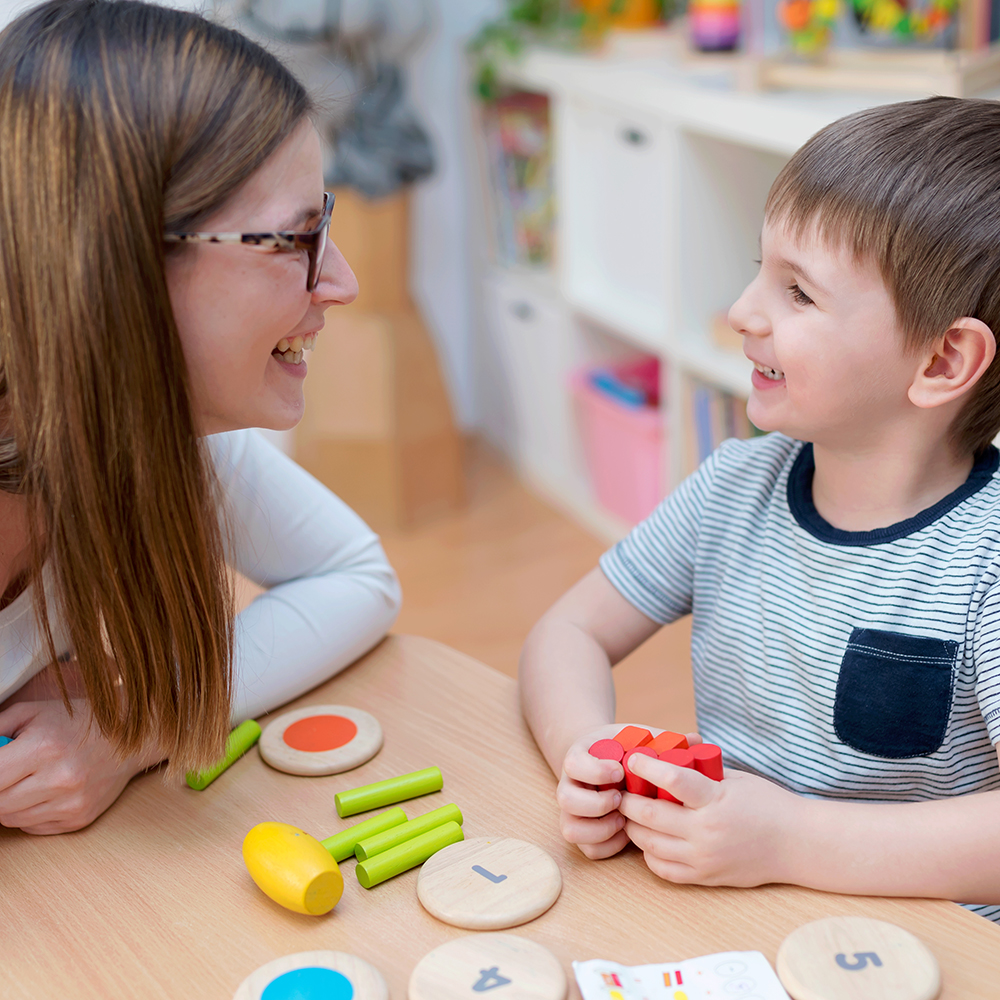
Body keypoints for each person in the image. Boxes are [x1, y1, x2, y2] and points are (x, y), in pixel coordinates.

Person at [520, 96, 1000, 921]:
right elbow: (567, 633)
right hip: (738, 911)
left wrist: (787, 839)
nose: (743, 313)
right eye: (759, 270)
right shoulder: (731, 489)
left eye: (798, 294)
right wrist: (585, 753)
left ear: (943, 358)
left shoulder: (986, 559)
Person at [0, 0, 402, 834]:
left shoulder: (147, 434)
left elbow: (354, 577)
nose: (342, 281)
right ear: (117, 264)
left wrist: (133, 722)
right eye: (291, 240)